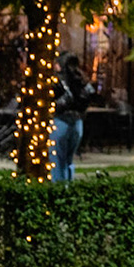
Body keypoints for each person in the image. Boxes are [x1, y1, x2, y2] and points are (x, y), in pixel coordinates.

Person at [51, 51, 90, 182]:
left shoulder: (60, 81)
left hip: (60, 121)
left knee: (56, 159)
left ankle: (58, 189)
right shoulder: (81, 80)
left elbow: (58, 101)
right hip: (78, 123)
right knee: (68, 159)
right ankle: (68, 186)